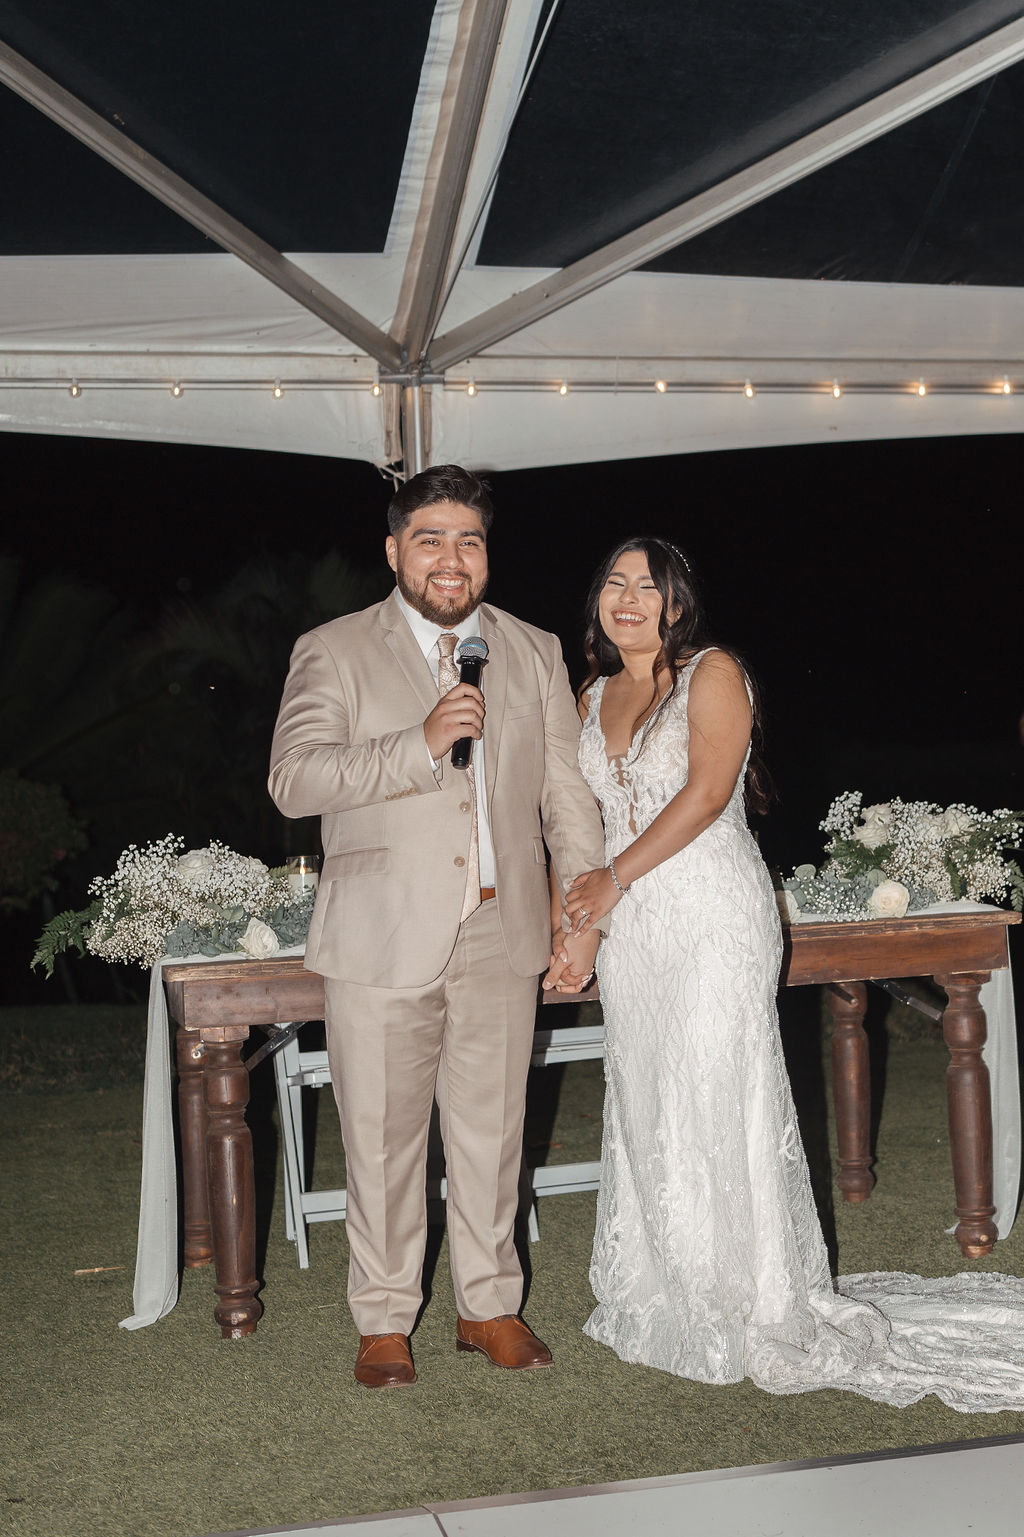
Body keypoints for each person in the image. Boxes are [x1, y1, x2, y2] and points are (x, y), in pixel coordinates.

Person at [559, 536, 1024, 1410]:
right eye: (613, 583)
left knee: (715, 1087)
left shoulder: (713, 673)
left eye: (647, 586)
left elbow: (704, 794)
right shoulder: (590, 694)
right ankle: (667, 1287)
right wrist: (581, 920)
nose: (628, 598)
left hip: (709, 913)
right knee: (649, 1091)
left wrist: (612, 879)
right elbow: (583, 823)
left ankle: (751, 1295)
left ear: (676, 604)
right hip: (638, 934)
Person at [268, 465, 604, 1388]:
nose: (451, 559)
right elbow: (294, 780)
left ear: (486, 554)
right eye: (430, 538)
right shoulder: (333, 648)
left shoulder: (531, 649)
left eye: (469, 540)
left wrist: (581, 910)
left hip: (503, 931)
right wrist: (417, 743)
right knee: (380, 1136)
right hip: (381, 935)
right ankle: (383, 1318)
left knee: (495, 1131)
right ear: (393, 550)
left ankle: (488, 1305)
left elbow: (565, 795)